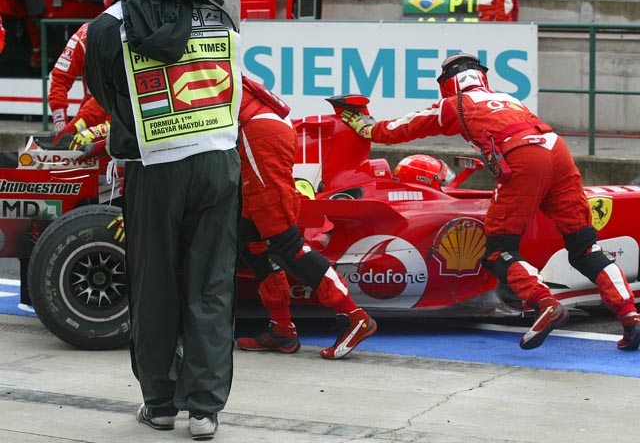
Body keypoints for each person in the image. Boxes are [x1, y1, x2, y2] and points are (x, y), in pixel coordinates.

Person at [341, 52, 640, 351]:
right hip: (556, 149)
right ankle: (630, 316)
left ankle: (544, 302)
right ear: (482, 76)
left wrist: (367, 128)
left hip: (522, 156)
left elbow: (404, 127)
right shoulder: (509, 99)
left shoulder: (455, 103)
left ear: (446, 83)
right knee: (585, 247)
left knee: (498, 251)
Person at [84, 0, 242, 439]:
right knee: (212, 284)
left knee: (153, 284)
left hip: (153, 166)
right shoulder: (218, 10)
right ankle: (205, 411)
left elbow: (107, 98)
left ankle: (160, 404)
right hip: (218, 158)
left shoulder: (106, 25)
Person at [234, 75, 378, 359]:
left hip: (258, 135)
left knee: (285, 242)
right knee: (251, 242)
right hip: (256, 132)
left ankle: (355, 316)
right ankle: (282, 329)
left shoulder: (185, 57)